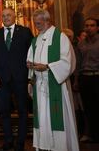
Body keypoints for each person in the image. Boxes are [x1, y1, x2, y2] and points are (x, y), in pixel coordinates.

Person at [27, 9, 79, 151]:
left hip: (56, 84)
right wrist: (30, 66)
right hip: (40, 85)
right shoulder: (35, 39)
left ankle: (60, 147)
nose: (37, 26)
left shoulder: (60, 37)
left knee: (57, 118)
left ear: (47, 20)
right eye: (35, 23)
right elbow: (30, 58)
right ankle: (44, 145)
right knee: (43, 117)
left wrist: (48, 67)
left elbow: (68, 62)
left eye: (39, 23)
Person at [0, 7, 33, 151]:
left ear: (14, 17)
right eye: (3, 15)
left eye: (9, 15)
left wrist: (30, 77)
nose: (6, 17)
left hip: (21, 78)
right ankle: (8, 141)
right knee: (4, 111)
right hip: (2, 80)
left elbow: (31, 54)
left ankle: (20, 142)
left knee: (22, 111)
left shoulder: (25, 32)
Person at [77, 17, 99, 142]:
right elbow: (78, 63)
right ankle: (89, 133)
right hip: (85, 78)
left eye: (92, 25)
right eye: (87, 25)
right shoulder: (81, 44)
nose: (89, 28)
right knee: (87, 107)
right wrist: (76, 81)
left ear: (97, 28)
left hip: (97, 76)